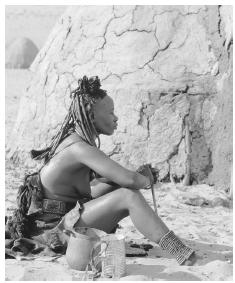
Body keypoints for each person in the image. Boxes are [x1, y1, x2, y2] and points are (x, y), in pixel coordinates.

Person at [6, 76, 197, 266]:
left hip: (56, 218)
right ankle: (180, 252)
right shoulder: (80, 149)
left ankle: (171, 243)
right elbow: (129, 180)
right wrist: (146, 180)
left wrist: (134, 177)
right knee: (129, 196)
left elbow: (103, 182)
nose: (116, 117)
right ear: (91, 115)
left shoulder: (73, 140)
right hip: (53, 230)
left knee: (116, 187)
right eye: (111, 112)